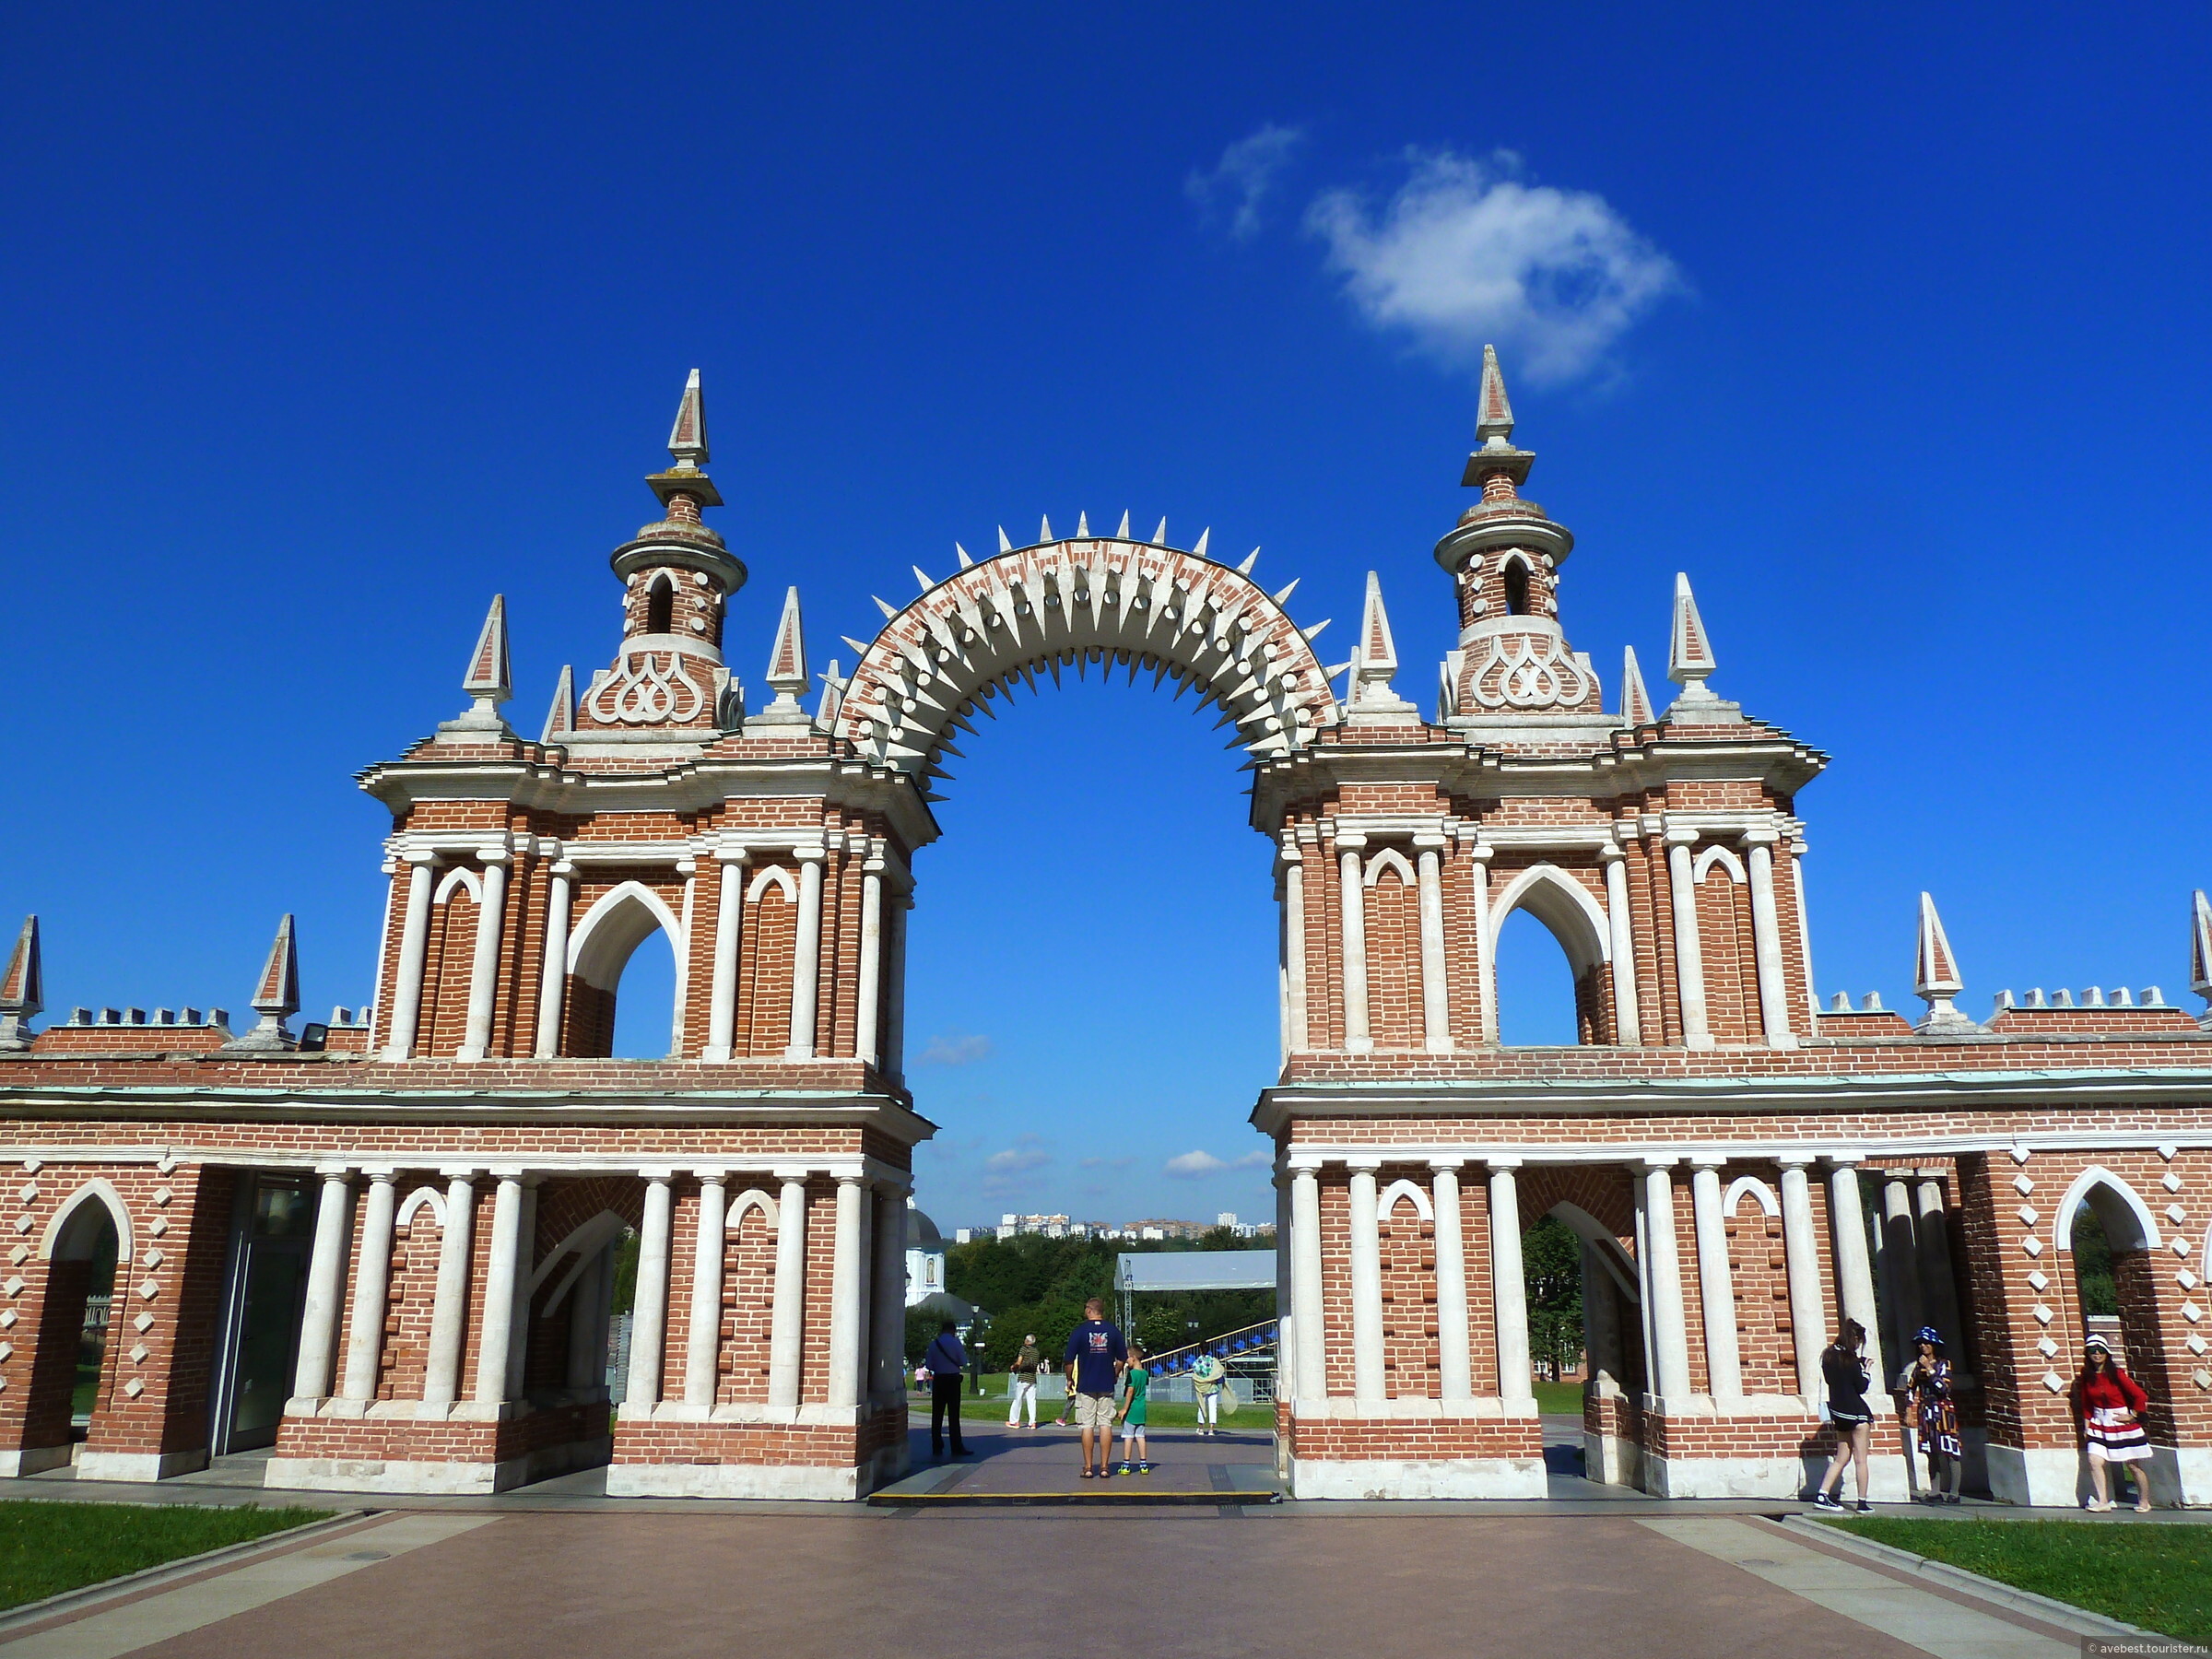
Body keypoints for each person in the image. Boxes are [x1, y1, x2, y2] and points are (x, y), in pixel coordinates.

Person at [2077, 1334, 2154, 1512]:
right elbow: (2086, 1402)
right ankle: (2102, 1501)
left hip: (2120, 1422)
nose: (2097, 1354)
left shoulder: (2117, 1374)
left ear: (2107, 1353)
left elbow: (2140, 1395)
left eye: (2100, 1351)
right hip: (2098, 1422)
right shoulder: (2087, 1376)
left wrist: (2134, 1415)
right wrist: (2087, 1424)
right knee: (2094, 1460)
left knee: (2132, 1465)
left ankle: (2144, 1501)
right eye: (2092, 1351)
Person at [1810, 1317, 1875, 1512]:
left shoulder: (1828, 1356)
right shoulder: (1852, 1360)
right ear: (1854, 1338)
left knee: (1841, 1457)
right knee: (1861, 1459)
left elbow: (1832, 1380)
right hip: (1857, 1413)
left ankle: (1822, 1494)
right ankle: (1862, 1502)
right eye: (1858, 1341)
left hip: (1839, 1412)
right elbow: (1861, 1387)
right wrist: (1866, 1371)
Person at [1062, 1297, 1128, 1479]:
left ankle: (1089, 1466)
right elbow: (1122, 1357)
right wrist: (1115, 1373)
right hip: (1106, 1383)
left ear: (1089, 1310)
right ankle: (1105, 1467)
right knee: (1106, 1424)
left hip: (1086, 1384)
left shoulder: (1080, 1331)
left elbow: (1069, 1359)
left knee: (1087, 1425)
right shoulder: (1113, 1331)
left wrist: (1069, 1379)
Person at [1896, 1325, 1964, 1503]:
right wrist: (1909, 1410)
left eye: (1927, 1343)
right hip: (1926, 1411)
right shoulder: (1918, 1367)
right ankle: (1935, 1491)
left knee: (1950, 1450)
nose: (1923, 1346)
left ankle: (1954, 1492)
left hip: (1943, 1411)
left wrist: (1930, 1370)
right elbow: (1911, 1388)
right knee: (1931, 1451)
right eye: (1920, 1343)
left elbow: (1944, 1387)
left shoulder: (1944, 1364)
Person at [924, 1319, 969, 1459]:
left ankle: (937, 1445)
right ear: (953, 1330)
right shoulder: (956, 1343)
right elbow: (963, 1361)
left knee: (937, 1414)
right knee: (954, 1415)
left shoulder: (934, 1344)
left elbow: (929, 1365)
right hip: (953, 1380)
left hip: (939, 1380)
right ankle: (956, 1445)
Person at [1115, 1344, 1152, 1476]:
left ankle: (1126, 1465)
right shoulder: (1144, 1373)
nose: (1126, 1361)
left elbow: (1130, 1391)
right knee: (1140, 1436)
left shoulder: (1132, 1374)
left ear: (1134, 1358)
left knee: (1128, 1437)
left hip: (1132, 1409)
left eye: (1128, 1359)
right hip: (1141, 1409)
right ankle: (1143, 1464)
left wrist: (1124, 1409)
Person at [1006, 1333, 1041, 1429]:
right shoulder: (1036, 1352)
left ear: (1027, 1341)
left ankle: (1014, 1421)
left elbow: (1019, 1362)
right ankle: (1032, 1422)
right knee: (1031, 1401)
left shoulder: (1024, 1349)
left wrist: (1013, 1367)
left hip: (1023, 1377)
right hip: (1032, 1378)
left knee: (1018, 1399)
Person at [1192, 1346, 1227, 1437]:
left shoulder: (1196, 1362)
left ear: (1200, 1350)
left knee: (1201, 1407)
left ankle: (1201, 1428)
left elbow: (1195, 1373)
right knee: (1213, 1408)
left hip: (1201, 1388)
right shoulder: (1213, 1361)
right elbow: (1220, 1371)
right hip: (1212, 1387)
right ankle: (1211, 1430)